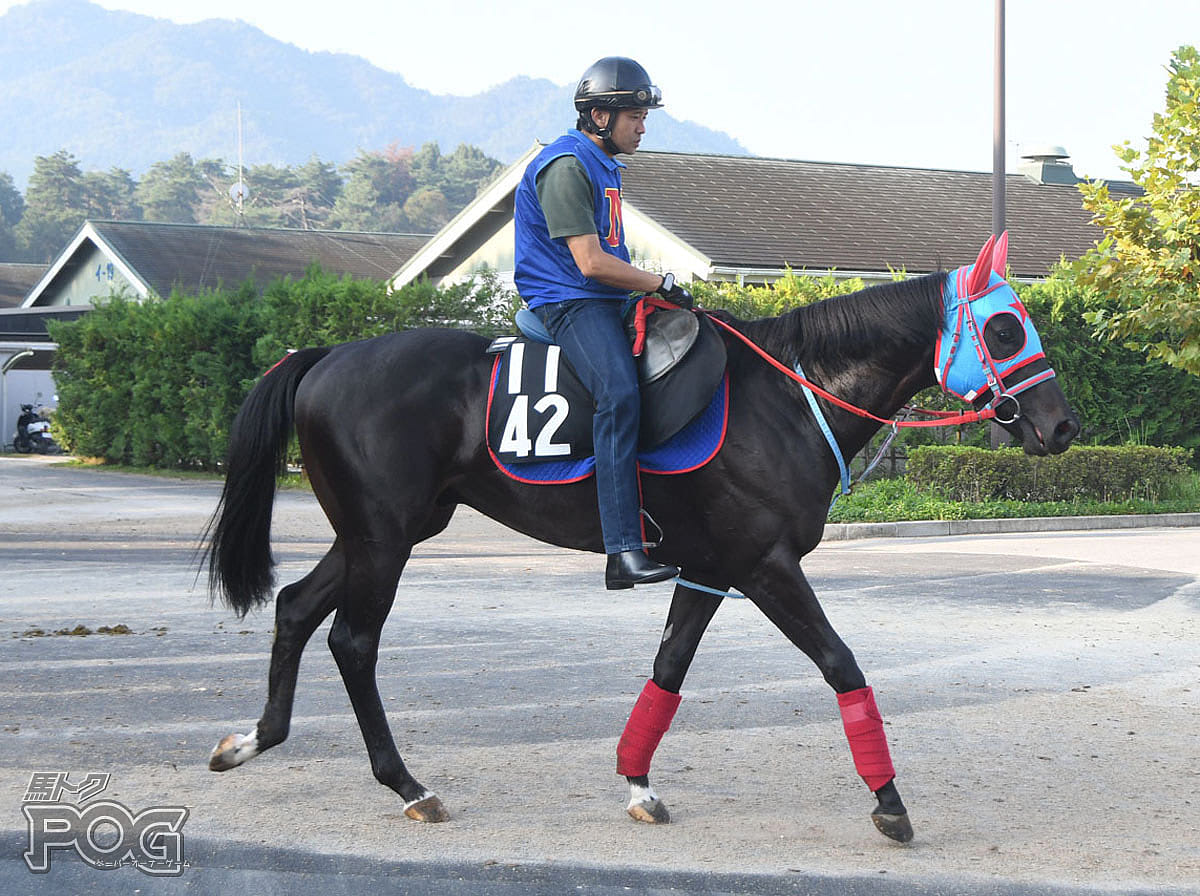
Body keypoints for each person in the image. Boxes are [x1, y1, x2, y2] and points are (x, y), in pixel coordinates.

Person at [513, 56, 692, 590]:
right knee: (617, 394)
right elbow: (590, 263)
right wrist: (657, 282)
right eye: (634, 116)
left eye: (644, 116)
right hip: (569, 301)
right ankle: (622, 550)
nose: (642, 127)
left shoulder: (603, 163)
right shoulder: (566, 165)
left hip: (603, 298)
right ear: (598, 115)